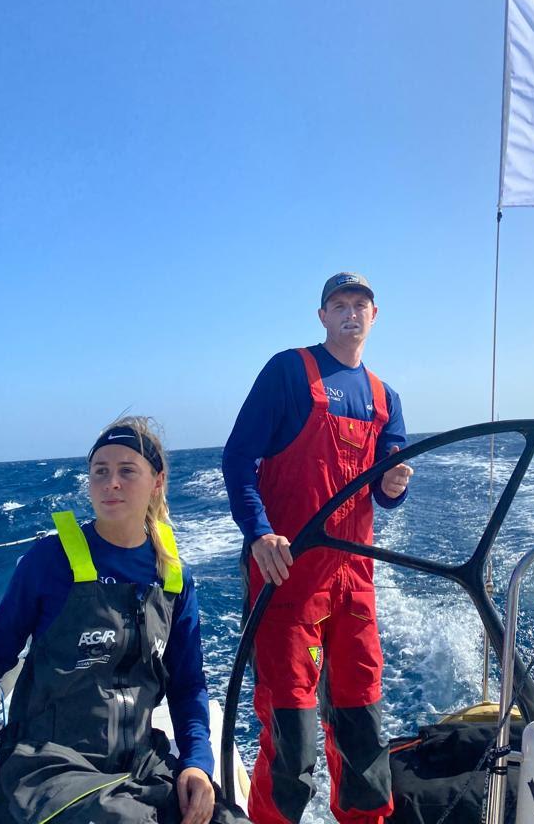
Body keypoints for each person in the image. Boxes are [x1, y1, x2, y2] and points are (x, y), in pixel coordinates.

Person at [0, 417, 233, 824]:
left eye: (127, 470)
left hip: (137, 763)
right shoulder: (50, 560)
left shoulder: (174, 578)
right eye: (100, 471)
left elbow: (187, 685)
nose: (111, 482)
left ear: (157, 481)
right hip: (44, 765)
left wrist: (197, 764)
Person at [222, 272, 413, 824]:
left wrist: (395, 483)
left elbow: (386, 483)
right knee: (294, 741)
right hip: (288, 579)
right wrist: (259, 533)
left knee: (364, 730)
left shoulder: (386, 398)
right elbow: (238, 460)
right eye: (339, 304)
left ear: (374, 317)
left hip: (355, 586)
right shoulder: (288, 372)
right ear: (322, 316)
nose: (351, 313)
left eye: (360, 305)